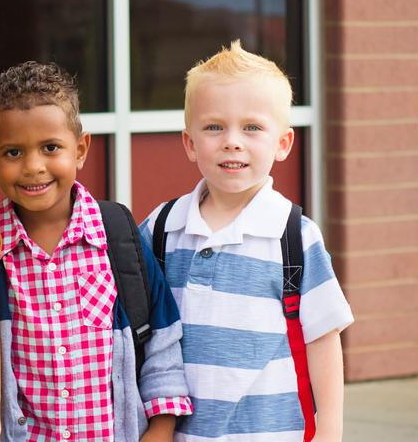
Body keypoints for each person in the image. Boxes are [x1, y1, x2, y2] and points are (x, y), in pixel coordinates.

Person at [139, 40, 354, 441]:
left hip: (271, 432)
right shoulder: (162, 228)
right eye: (214, 126)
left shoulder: (294, 236)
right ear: (189, 142)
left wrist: (330, 431)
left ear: (283, 143)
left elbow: (323, 340)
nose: (232, 141)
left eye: (252, 127)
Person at [0, 62, 192, 442]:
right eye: (13, 152)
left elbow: (162, 345)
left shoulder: (117, 236)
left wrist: (159, 430)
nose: (33, 167)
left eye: (50, 148)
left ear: (80, 149)